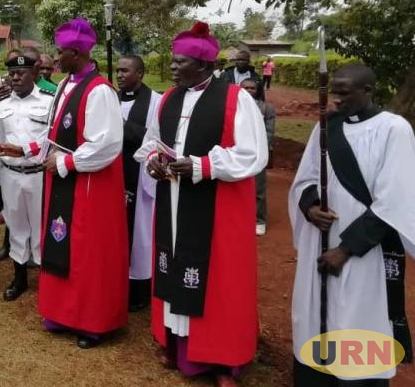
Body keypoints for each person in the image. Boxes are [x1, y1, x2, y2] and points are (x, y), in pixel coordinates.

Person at [136, 22, 267, 386]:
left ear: (204, 65)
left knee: (217, 280)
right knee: (173, 266)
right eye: (173, 61)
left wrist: (202, 165)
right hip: (173, 201)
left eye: (180, 62)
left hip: (215, 205)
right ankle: (175, 344)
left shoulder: (236, 99)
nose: (173, 67)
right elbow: (152, 143)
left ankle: (222, 360)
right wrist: (154, 161)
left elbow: (252, 154)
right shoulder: (168, 99)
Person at [0, 18, 128, 349]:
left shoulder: (100, 91)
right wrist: (26, 149)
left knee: (85, 251)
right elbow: (53, 134)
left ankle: (91, 322)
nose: (54, 57)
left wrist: (66, 163)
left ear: (77, 53)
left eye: (60, 51)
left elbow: (107, 144)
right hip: (63, 182)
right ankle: (61, 311)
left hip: (89, 186)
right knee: (60, 242)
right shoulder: (66, 84)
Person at [290, 64, 415, 386]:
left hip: (363, 249)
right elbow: (306, 178)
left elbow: (395, 199)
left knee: (357, 315)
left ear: (368, 91)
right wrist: (310, 207)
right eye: (334, 92)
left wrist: (345, 249)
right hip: (319, 240)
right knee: (315, 313)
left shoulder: (394, 129)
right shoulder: (325, 127)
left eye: (344, 93)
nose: (335, 99)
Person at [0, 55, 53, 301]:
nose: (15, 78)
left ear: (34, 74)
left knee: (42, 228)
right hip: (11, 175)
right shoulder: (3, 104)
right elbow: (0, 143)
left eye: (21, 73)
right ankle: (19, 279)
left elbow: (51, 140)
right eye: (12, 74)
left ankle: (47, 282)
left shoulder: (49, 101)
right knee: (16, 227)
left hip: (38, 175)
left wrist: (25, 150)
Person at [116, 54, 162, 312]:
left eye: (125, 71)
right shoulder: (111, 98)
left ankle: (139, 289)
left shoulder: (156, 102)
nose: (120, 75)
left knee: (139, 233)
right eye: (118, 71)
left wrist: (123, 126)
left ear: (140, 73)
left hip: (139, 179)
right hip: (112, 176)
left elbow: (156, 139)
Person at [0, 49, 23, 262]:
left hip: (27, 158)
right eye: (11, 66)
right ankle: (8, 244)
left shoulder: (42, 90)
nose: (15, 73)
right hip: (3, 151)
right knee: (2, 196)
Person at [240, 79, 276, 236]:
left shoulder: (266, 108)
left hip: (257, 154)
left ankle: (259, 221)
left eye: (252, 88)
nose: (248, 91)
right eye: (245, 88)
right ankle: (241, 217)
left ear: (258, 90)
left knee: (258, 189)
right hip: (237, 153)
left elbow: (269, 133)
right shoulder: (233, 106)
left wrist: (256, 149)